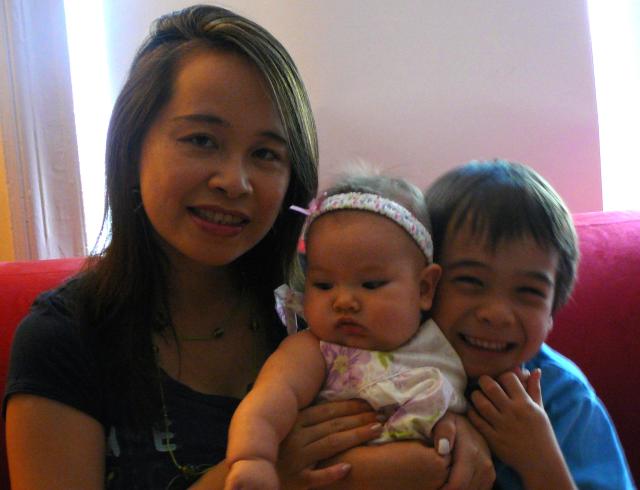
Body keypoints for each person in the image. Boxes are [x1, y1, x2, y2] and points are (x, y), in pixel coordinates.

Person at [2, 5, 494, 490]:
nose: (234, 182)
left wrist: (454, 427)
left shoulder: (320, 304)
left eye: (265, 153)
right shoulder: (65, 338)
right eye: (202, 140)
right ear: (133, 149)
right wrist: (274, 471)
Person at [225, 170, 469, 490]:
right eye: (324, 284)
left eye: (370, 284)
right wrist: (253, 459)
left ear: (424, 288)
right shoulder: (314, 350)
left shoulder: (441, 342)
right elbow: (267, 402)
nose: (343, 301)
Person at [424, 159, 636, 490]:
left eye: (528, 291)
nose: (497, 314)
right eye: (470, 281)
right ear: (424, 286)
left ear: (552, 312)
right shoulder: (385, 360)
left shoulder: (563, 397)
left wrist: (539, 458)